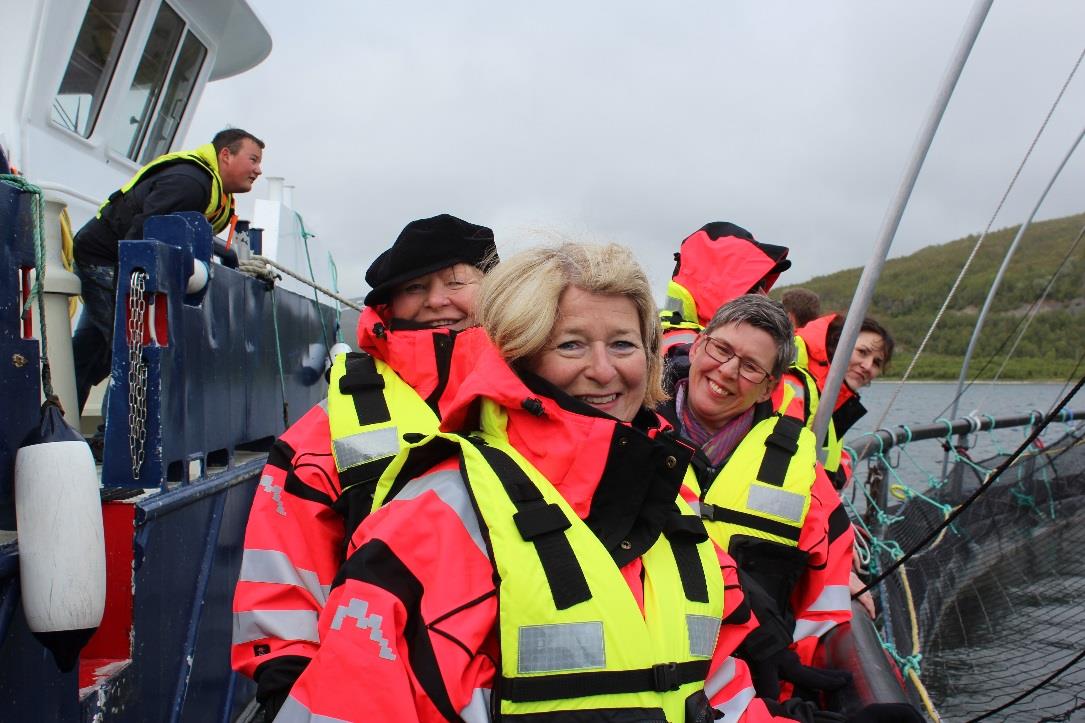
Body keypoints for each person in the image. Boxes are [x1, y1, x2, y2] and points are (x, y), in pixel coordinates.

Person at [276, 243, 792, 722]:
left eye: (623, 344)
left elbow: (719, 694)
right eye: (570, 344)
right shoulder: (438, 512)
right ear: (519, 357)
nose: (603, 369)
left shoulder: (669, 503)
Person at [231, 214, 498, 717]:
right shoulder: (328, 425)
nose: (438, 299)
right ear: (389, 304)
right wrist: (285, 683)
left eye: (457, 281)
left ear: (498, 289)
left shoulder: (540, 390)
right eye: (416, 287)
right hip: (371, 693)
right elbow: (283, 567)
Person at [658, 295, 855, 705]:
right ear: (698, 347)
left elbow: (824, 602)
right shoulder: (628, 433)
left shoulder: (804, 474)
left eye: (750, 366)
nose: (727, 371)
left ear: (770, 386)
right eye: (721, 349)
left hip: (750, 697)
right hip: (646, 686)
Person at [71, 127, 264, 415]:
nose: (258, 170)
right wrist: (139, 288)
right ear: (226, 155)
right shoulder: (190, 183)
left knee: (93, 350)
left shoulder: (205, 186)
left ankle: (59, 422)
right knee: (132, 348)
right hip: (106, 260)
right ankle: (115, 440)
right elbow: (143, 233)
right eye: (253, 160)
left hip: (111, 258)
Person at [774, 314, 894, 489]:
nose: (867, 366)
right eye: (862, 352)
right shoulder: (794, 378)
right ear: (838, 345)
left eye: (876, 362)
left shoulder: (828, 399)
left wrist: (841, 471)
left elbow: (829, 456)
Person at [660, 221, 791, 356]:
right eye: (753, 287)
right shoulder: (682, 354)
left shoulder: (664, 336)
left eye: (763, 285)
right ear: (714, 285)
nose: (764, 296)